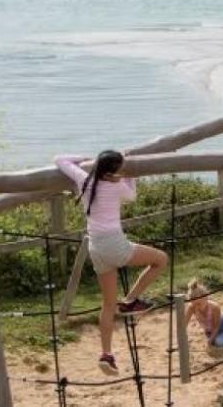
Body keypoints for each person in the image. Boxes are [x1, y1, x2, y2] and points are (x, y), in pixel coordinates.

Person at [55, 151, 168, 375]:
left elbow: (59, 160)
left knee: (107, 305)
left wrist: (86, 158)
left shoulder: (84, 179)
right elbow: (132, 196)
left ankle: (106, 354)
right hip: (115, 245)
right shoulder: (116, 186)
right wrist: (129, 175)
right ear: (114, 171)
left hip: (96, 248)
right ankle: (130, 301)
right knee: (160, 259)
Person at [185, 279, 223, 348]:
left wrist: (210, 340)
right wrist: (183, 339)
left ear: (206, 297)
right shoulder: (191, 307)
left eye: (199, 303)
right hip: (211, 331)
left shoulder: (214, 306)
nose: (197, 306)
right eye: (195, 303)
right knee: (219, 342)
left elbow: (217, 326)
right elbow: (184, 325)